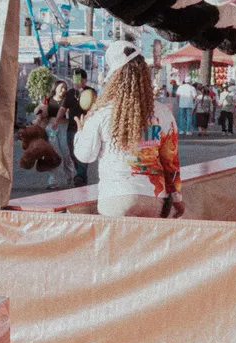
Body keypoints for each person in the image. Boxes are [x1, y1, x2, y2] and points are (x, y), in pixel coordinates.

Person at [73, 41, 184, 218]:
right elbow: (170, 161)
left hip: (115, 196)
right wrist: (177, 198)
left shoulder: (102, 113)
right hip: (153, 196)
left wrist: (80, 132)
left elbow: (85, 156)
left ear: (114, 78)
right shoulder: (163, 113)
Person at [37, 80, 75, 189]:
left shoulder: (67, 100)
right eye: (61, 87)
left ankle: (70, 177)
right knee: (53, 154)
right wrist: (39, 116)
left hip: (64, 128)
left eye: (65, 88)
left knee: (66, 153)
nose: (63, 90)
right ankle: (52, 181)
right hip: (51, 128)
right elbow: (40, 110)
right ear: (56, 87)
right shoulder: (48, 99)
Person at [60, 69, 94, 187]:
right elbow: (63, 108)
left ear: (85, 80)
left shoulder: (91, 92)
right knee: (73, 153)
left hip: (86, 128)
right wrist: (57, 120)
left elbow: (95, 107)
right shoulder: (70, 93)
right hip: (71, 128)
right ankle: (81, 175)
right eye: (75, 78)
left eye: (79, 79)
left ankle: (80, 176)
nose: (77, 81)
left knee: (84, 151)